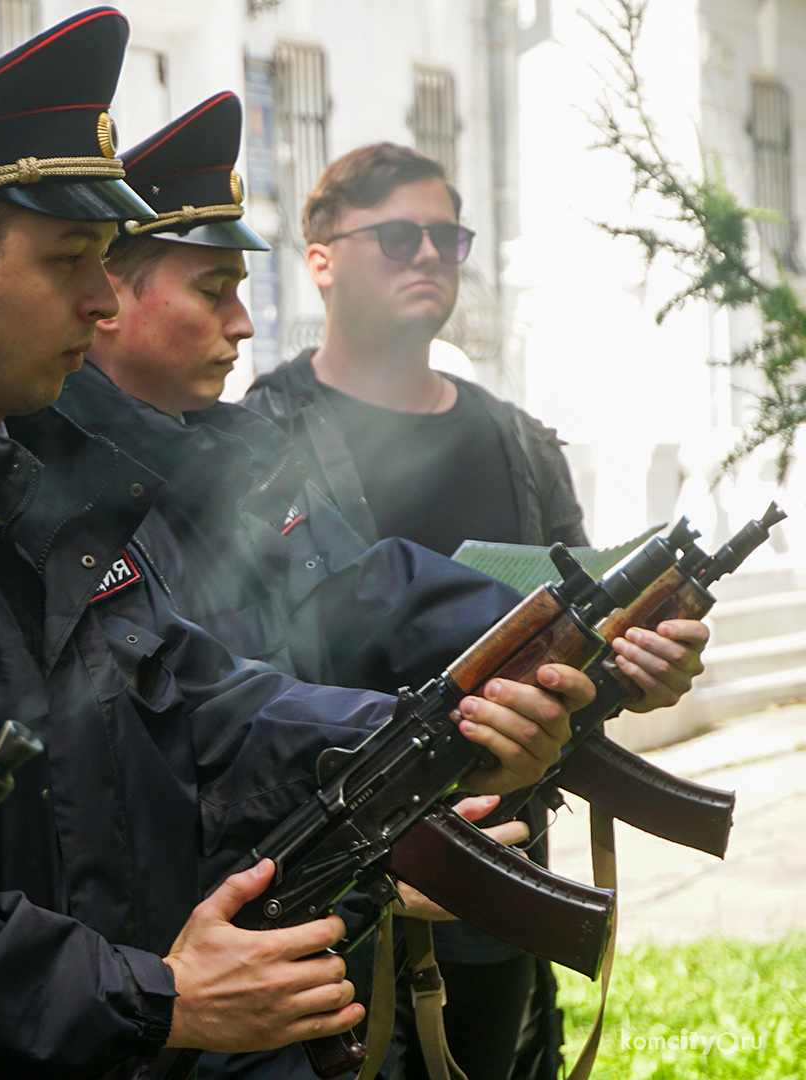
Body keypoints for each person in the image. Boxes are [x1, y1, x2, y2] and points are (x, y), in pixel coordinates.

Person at [0, 12, 594, 1078]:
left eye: (108, 262)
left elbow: (205, 713)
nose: (103, 300)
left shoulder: (34, 493)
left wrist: (441, 731)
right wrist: (161, 998)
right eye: (72, 260)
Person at [60, 99, 709, 1080]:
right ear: (109, 295)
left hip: (339, 923)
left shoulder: (240, 459)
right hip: (193, 979)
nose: (241, 319)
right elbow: (171, 745)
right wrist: (378, 812)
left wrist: (605, 633)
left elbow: (373, 591)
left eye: (448, 236)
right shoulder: (101, 489)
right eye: (215, 289)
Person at [240, 144, 709, 1080]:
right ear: (320, 258)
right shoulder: (260, 434)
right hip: (341, 870)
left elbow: (587, 638)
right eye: (397, 235)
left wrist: (644, 669)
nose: (428, 255)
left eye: (446, 236)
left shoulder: (516, 440)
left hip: (505, 853)